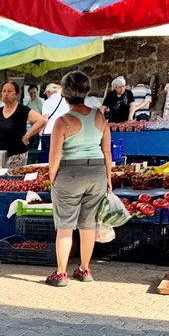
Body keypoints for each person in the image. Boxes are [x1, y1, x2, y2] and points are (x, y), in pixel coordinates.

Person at [45, 70, 112, 287]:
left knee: (65, 224)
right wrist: (108, 178)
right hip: (97, 173)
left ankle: (61, 273)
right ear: (86, 91)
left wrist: (53, 178)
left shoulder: (62, 122)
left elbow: (55, 156)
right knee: (88, 224)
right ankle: (84, 269)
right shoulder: (100, 117)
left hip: (70, 173)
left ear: (64, 93)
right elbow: (107, 152)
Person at [0, 80, 46, 171]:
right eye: (4, 91)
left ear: (16, 94)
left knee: (13, 179)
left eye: (9, 91)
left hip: (17, 157)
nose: (6, 94)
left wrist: (27, 135)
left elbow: (41, 120)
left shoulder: (22, 110)